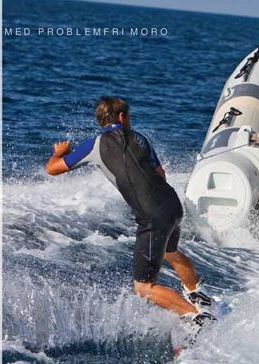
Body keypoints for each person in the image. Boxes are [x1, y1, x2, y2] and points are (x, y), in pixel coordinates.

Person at [45, 96, 216, 331]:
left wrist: (59, 152)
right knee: (170, 251)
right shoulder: (142, 138)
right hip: (172, 204)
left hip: (152, 215)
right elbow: (161, 174)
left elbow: (53, 169)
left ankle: (196, 318)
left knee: (144, 287)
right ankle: (198, 294)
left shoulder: (95, 145)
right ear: (123, 117)